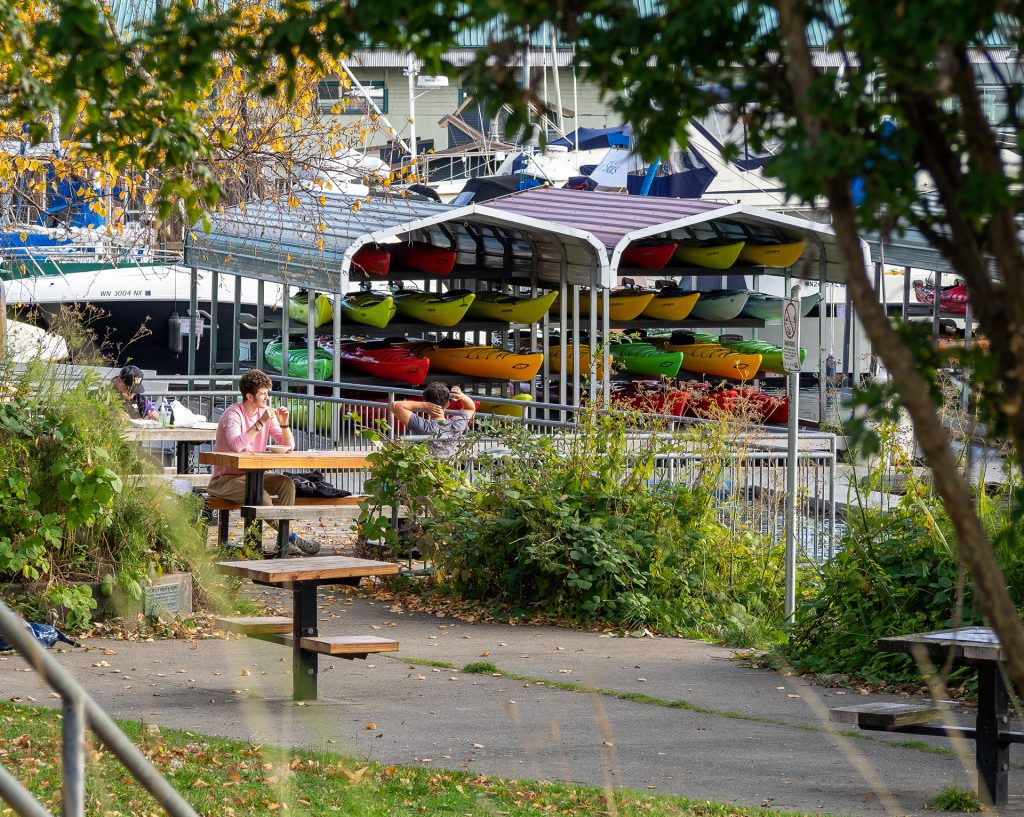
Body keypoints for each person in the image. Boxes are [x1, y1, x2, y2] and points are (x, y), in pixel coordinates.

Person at [207, 369, 319, 555]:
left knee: (286, 484)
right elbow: (236, 445)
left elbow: (289, 445)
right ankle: (290, 539)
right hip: (225, 480)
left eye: (268, 392)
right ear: (249, 396)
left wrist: (284, 424)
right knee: (261, 495)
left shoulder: (266, 413)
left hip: (255, 474)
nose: (267, 397)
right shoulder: (233, 413)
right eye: (263, 393)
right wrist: (260, 423)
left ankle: (283, 543)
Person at [389, 383, 476, 458]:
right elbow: (470, 407)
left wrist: (423, 405)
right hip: (450, 472)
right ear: (447, 404)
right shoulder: (456, 424)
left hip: (426, 472)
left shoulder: (423, 426)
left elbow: (395, 405)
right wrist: (462, 396)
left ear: (426, 402)